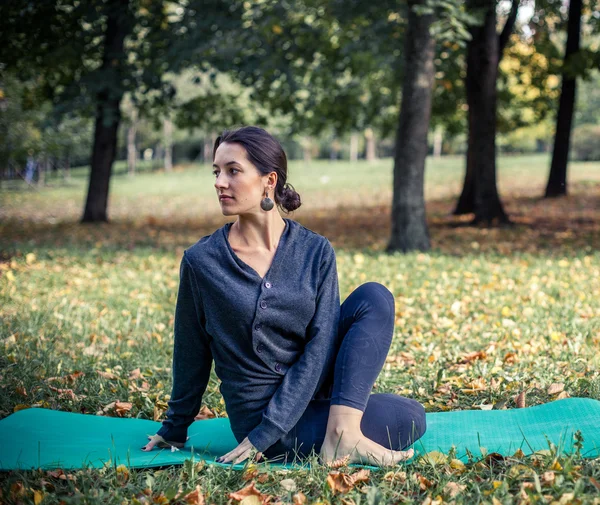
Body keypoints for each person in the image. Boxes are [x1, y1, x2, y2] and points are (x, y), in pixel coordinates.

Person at [141, 126, 426, 466]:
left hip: (313, 390)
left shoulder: (315, 251)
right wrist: (176, 427)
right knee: (406, 419)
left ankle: (342, 433)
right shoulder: (202, 262)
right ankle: (341, 435)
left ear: (269, 180)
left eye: (233, 171)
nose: (219, 182)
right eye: (216, 172)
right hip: (264, 424)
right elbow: (191, 351)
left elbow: (322, 343)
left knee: (375, 299)